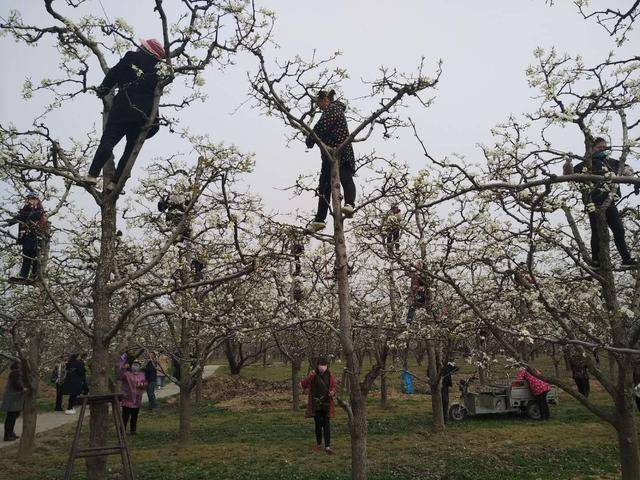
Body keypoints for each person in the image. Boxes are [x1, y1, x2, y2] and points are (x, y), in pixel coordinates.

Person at [84, 39, 165, 189]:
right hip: (143, 116)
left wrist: (104, 89)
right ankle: (115, 182)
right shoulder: (159, 70)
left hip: (123, 109)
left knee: (108, 141)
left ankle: (93, 175)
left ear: (144, 49)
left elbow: (114, 73)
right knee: (130, 149)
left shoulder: (131, 57)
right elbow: (156, 94)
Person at [571, 137, 638, 267]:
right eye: (599, 147)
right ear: (591, 149)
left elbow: (624, 167)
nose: (602, 150)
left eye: (604, 147)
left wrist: (628, 171)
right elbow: (572, 174)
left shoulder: (610, 161)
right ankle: (596, 261)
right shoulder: (587, 163)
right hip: (595, 202)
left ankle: (626, 259)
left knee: (619, 230)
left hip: (610, 201)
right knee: (597, 231)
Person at [305, 90, 357, 233]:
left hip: (342, 151)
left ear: (325, 100)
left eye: (319, 103)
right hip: (329, 156)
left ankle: (350, 204)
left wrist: (310, 138)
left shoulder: (334, 109)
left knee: (345, 177)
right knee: (324, 186)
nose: (319, 107)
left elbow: (322, 125)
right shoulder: (330, 110)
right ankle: (320, 219)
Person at [5, 191, 48, 281]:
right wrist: (10, 222)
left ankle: (34, 276)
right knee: (26, 256)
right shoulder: (26, 209)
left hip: (37, 236)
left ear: (37, 200)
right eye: (29, 199)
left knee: (36, 256)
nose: (30, 201)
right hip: (26, 235)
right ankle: (23, 276)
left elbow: (35, 215)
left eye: (32, 198)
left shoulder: (39, 209)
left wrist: (23, 216)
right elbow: (20, 217)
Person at [300, 357, 337, 455]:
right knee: (318, 424)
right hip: (316, 404)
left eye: (325, 365)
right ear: (317, 365)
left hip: (327, 404)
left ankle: (328, 446)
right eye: (321, 365)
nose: (323, 367)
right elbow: (303, 385)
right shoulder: (313, 374)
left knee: (327, 425)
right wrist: (309, 377)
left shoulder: (330, 375)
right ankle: (319, 443)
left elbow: (333, 387)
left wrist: (332, 392)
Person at [118, 358, 148, 435]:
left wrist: (143, 384)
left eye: (137, 364)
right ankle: (122, 431)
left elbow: (145, 383)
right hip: (127, 398)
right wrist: (124, 367)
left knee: (134, 416)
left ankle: (133, 430)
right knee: (125, 417)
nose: (135, 366)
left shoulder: (142, 375)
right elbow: (120, 376)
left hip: (137, 399)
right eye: (134, 364)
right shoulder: (126, 374)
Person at [2, 361, 25, 442]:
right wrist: (23, 389)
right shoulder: (15, 373)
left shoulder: (17, 373)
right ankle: (7, 435)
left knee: (14, 416)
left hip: (15, 398)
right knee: (11, 417)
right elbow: (16, 384)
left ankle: (11, 432)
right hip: (12, 398)